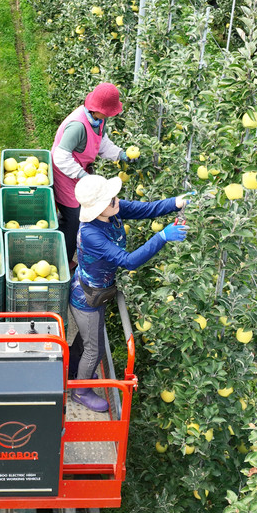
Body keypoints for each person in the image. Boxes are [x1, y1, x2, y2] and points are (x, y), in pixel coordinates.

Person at [68, 175, 191, 412]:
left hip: (97, 291)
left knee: (87, 339)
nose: (115, 199)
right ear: (95, 208)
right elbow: (129, 261)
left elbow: (145, 209)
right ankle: (80, 392)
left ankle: (75, 373)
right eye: (108, 198)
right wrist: (162, 236)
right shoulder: (91, 233)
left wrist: (176, 202)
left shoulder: (112, 208)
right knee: (95, 348)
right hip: (86, 297)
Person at [51, 82, 133, 268]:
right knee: (72, 217)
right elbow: (60, 156)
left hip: (80, 173)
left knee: (79, 215)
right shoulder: (78, 126)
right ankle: (62, 261)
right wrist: (81, 174)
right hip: (65, 172)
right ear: (100, 109)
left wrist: (120, 154)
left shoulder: (98, 120)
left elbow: (101, 143)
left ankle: (67, 254)